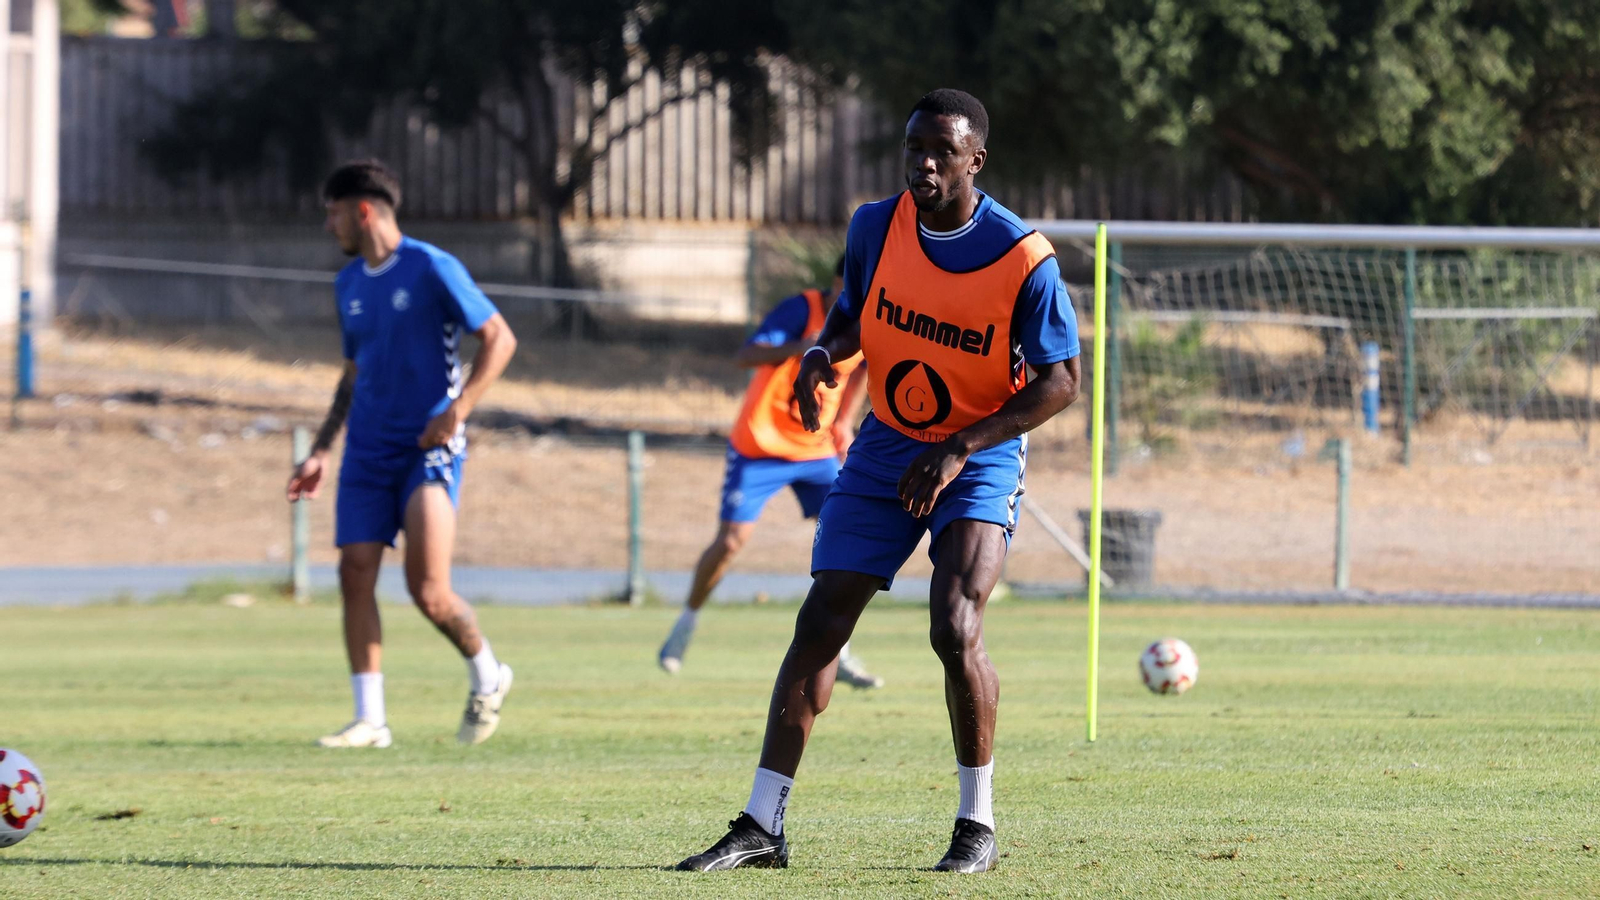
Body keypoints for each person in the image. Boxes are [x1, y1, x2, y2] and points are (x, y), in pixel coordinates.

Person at [676, 89, 1081, 873]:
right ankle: (763, 825)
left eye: (940, 149)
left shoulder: (1022, 257)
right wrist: (825, 353)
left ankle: (977, 828)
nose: (923, 162)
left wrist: (962, 445)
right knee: (822, 618)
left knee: (953, 622)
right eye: (912, 148)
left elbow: (1061, 382)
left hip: (977, 451)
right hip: (888, 442)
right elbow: (858, 312)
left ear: (976, 159)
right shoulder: (873, 225)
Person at [286, 160, 520, 749]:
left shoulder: (430, 266)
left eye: (332, 212)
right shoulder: (348, 285)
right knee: (354, 572)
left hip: (426, 447)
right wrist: (320, 450)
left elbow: (499, 337)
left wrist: (457, 409)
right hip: (366, 450)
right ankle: (371, 719)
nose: (328, 224)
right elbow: (353, 374)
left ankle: (488, 675)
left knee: (428, 590)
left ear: (362, 210)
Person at [656, 258, 883, 689]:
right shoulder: (801, 309)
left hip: (815, 451)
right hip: (759, 445)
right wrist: (800, 347)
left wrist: (843, 422)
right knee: (729, 542)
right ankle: (685, 625)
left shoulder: (871, 317)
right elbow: (746, 355)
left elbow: (863, 368)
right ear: (837, 282)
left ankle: (842, 654)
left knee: (846, 541)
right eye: (849, 287)